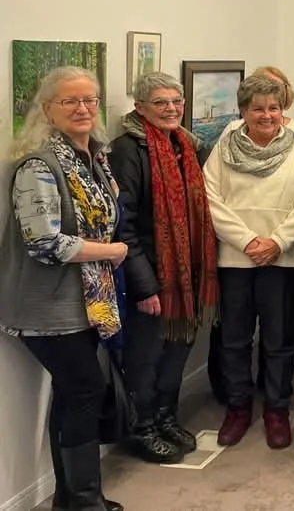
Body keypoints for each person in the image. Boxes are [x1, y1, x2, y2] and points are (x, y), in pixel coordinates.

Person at [0, 67, 127, 511]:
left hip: (86, 300)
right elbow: (44, 242)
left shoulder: (93, 156)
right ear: (48, 109)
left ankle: (72, 500)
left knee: (75, 393)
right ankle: (84, 501)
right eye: (70, 101)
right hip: (48, 304)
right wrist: (110, 251)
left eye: (90, 99)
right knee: (84, 390)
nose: (83, 109)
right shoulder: (39, 165)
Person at [204, 75, 294, 450]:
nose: (266, 115)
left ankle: (276, 409)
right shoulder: (224, 147)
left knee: (280, 341)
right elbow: (211, 199)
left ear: (282, 111)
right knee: (234, 340)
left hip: (282, 260)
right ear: (243, 111)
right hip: (236, 259)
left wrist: (277, 241)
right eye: (258, 108)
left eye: (273, 108)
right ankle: (238, 408)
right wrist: (248, 241)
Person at [109, 73, 218, 465]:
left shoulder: (186, 146)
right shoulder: (127, 151)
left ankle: (165, 417)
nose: (172, 108)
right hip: (154, 278)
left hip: (185, 276)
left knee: (176, 353)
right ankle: (142, 428)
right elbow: (123, 225)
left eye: (177, 100)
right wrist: (145, 286)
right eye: (161, 102)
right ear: (139, 108)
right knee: (146, 358)